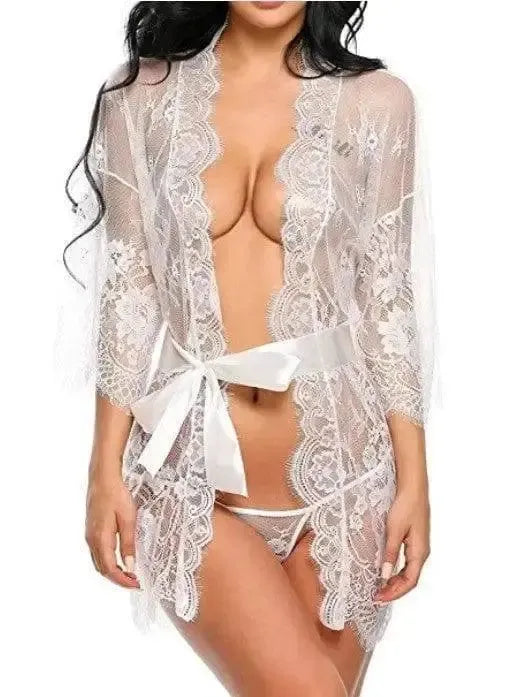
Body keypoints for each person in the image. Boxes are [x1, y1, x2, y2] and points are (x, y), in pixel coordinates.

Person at [64, 2, 434, 695]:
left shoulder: (379, 103)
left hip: (346, 480)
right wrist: (102, 471)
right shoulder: (141, 98)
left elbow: (387, 297)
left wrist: (415, 480)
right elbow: (128, 291)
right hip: (192, 479)